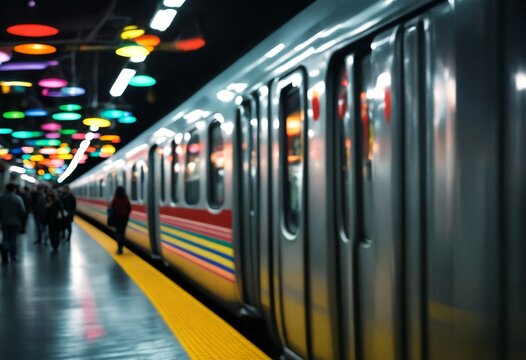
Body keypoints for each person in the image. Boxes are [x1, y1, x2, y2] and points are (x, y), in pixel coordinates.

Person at [0, 183, 27, 263]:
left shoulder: (1, 198)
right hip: (15, 222)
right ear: (14, 189)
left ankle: (4, 255)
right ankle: (13, 255)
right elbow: (22, 211)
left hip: (4, 222)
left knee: (5, 238)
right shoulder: (17, 198)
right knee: (13, 239)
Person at [110, 186, 131, 254]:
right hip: (124, 218)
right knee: (122, 232)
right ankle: (122, 246)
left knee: (118, 233)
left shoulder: (116, 198)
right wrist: (126, 214)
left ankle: (119, 248)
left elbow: (112, 206)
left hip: (117, 218)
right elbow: (129, 207)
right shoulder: (125, 198)